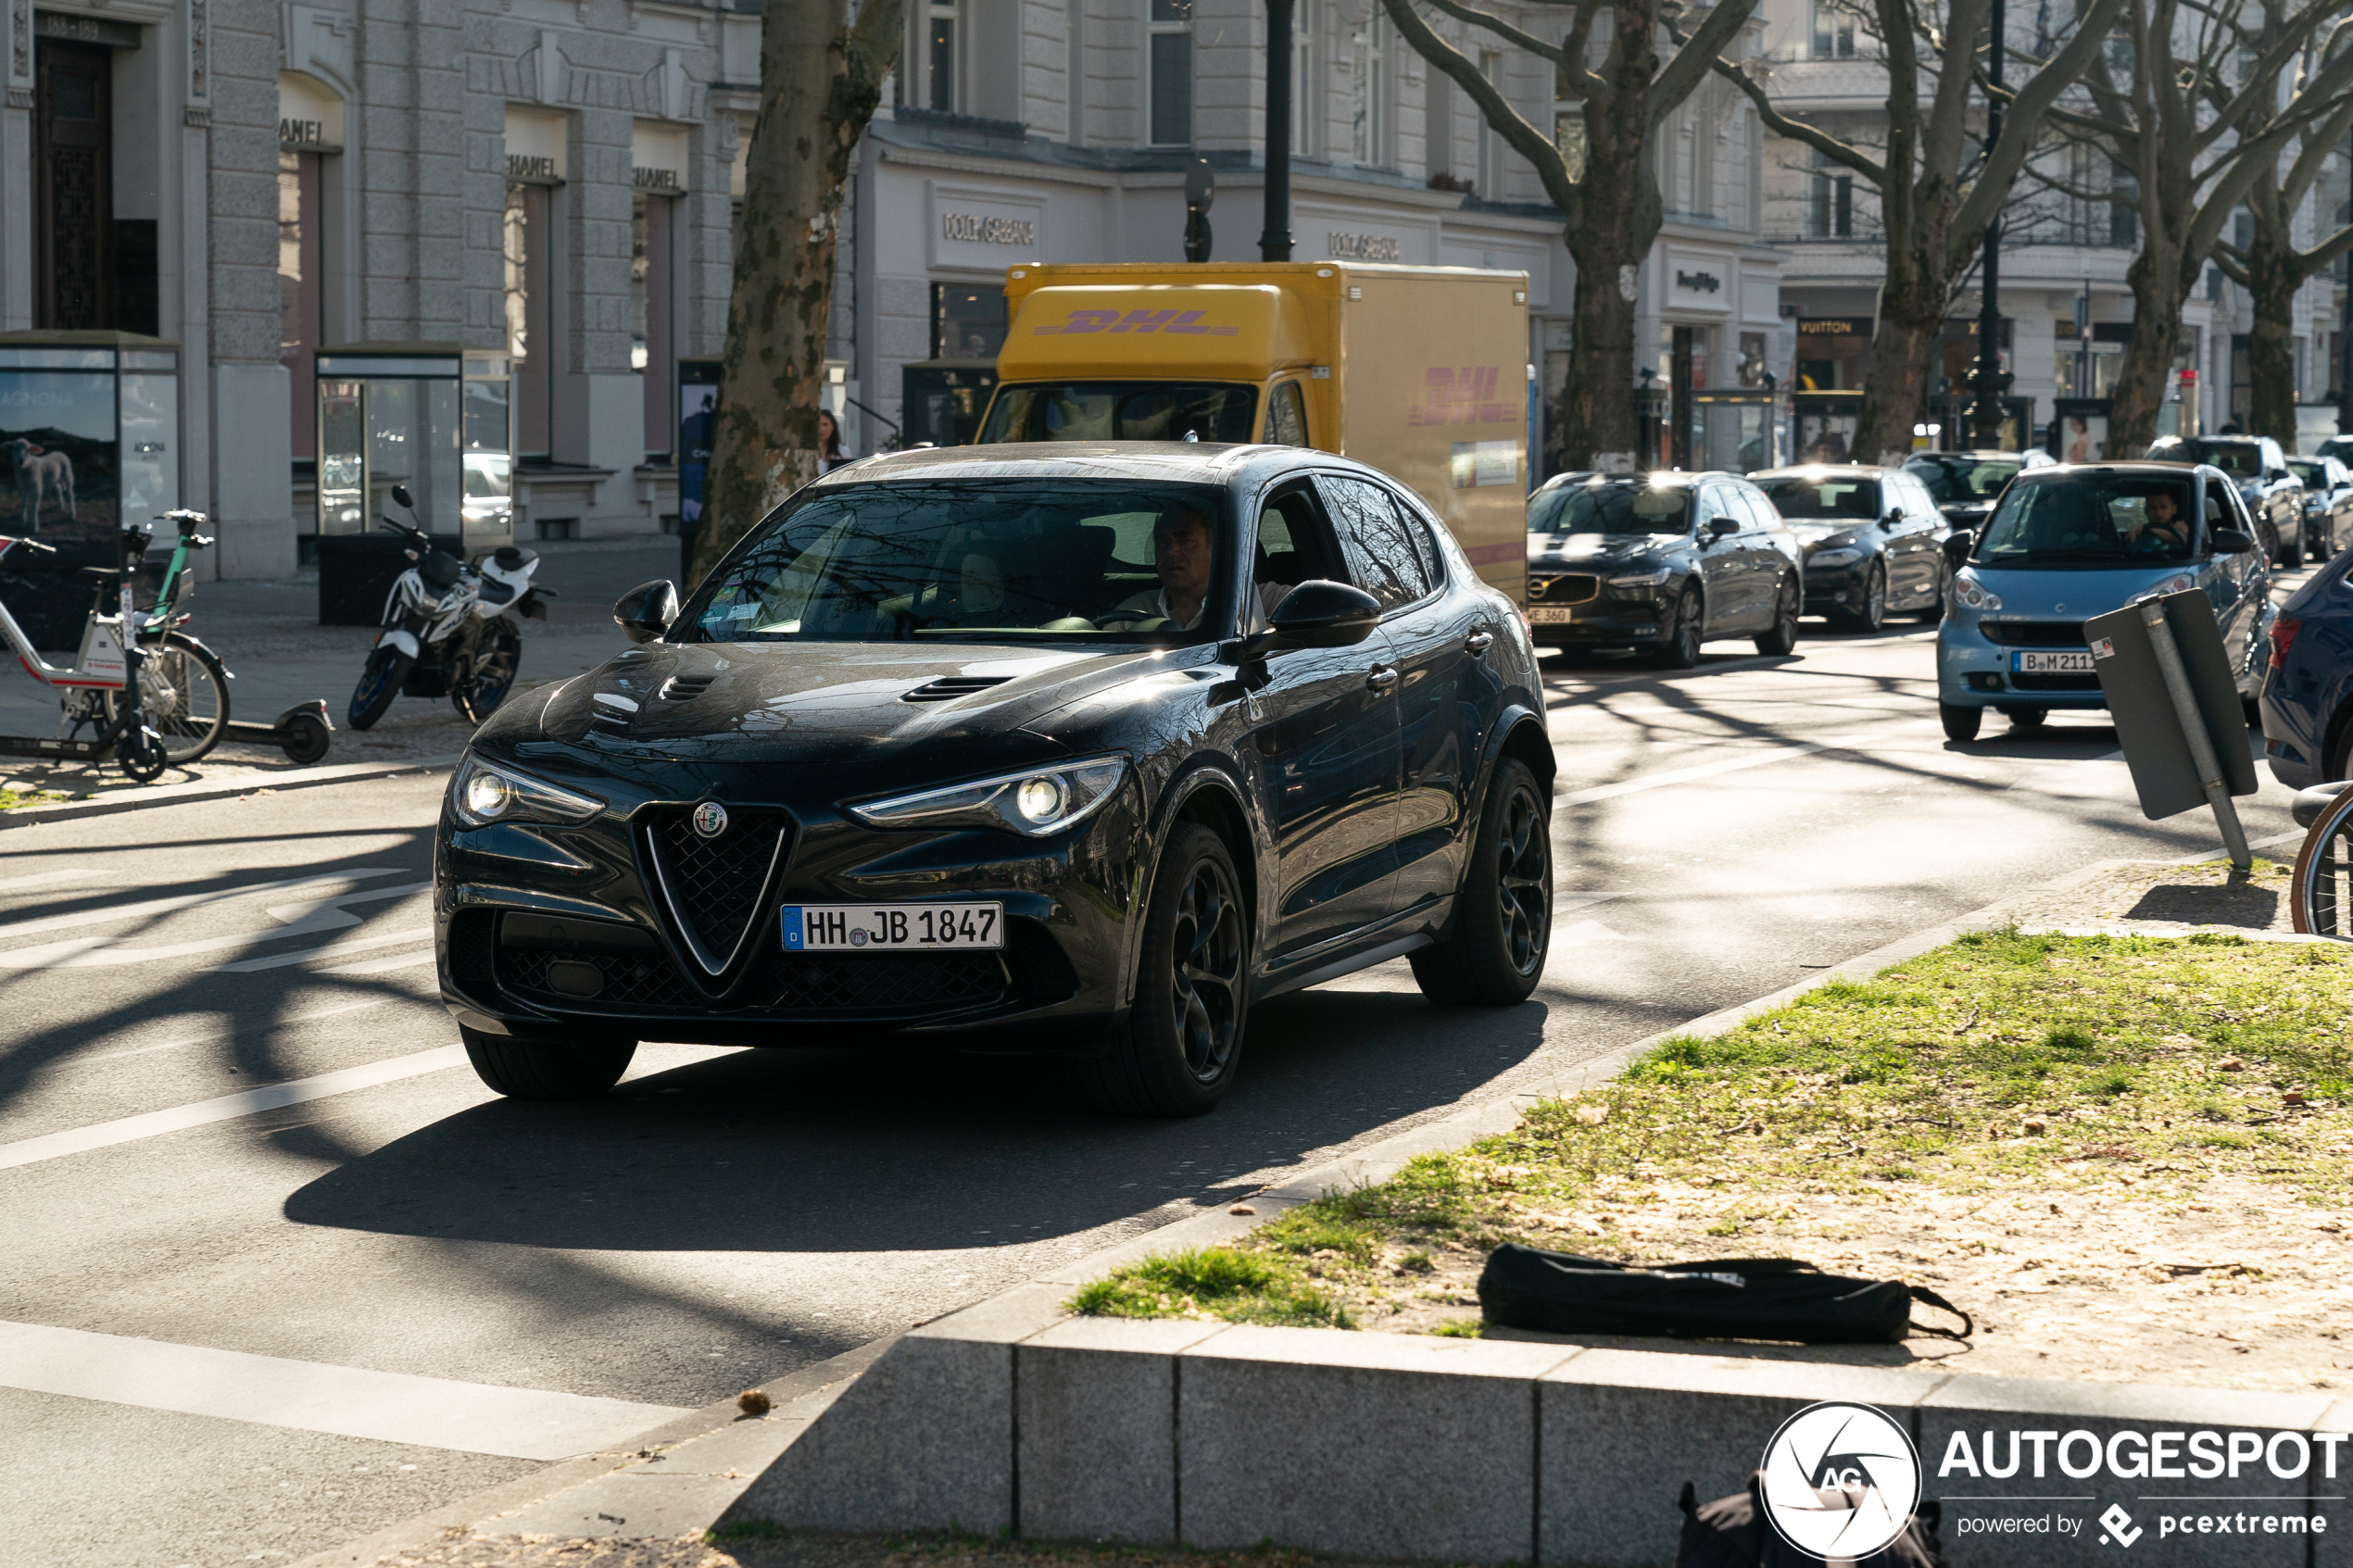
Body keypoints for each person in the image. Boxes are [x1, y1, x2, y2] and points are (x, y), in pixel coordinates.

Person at [1101, 508, 1289, 631]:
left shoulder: (1266, 601)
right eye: (1162, 541)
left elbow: (1312, 610)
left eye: (1185, 540)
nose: (1171, 551)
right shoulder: (1133, 612)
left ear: (1216, 549)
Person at [2128, 488, 2192, 553]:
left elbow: (2182, 538)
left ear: (2174, 509)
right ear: (2146, 510)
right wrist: (2134, 532)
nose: (2158, 513)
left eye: (2163, 507)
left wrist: (2149, 529)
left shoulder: (2181, 527)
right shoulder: (2139, 530)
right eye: (2153, 508)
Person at [816, 410, 849, 474]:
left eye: (825, 425)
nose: (821, 429)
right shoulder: (807, 453)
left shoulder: (843, 451)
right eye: (817, 425)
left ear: (833, 426)